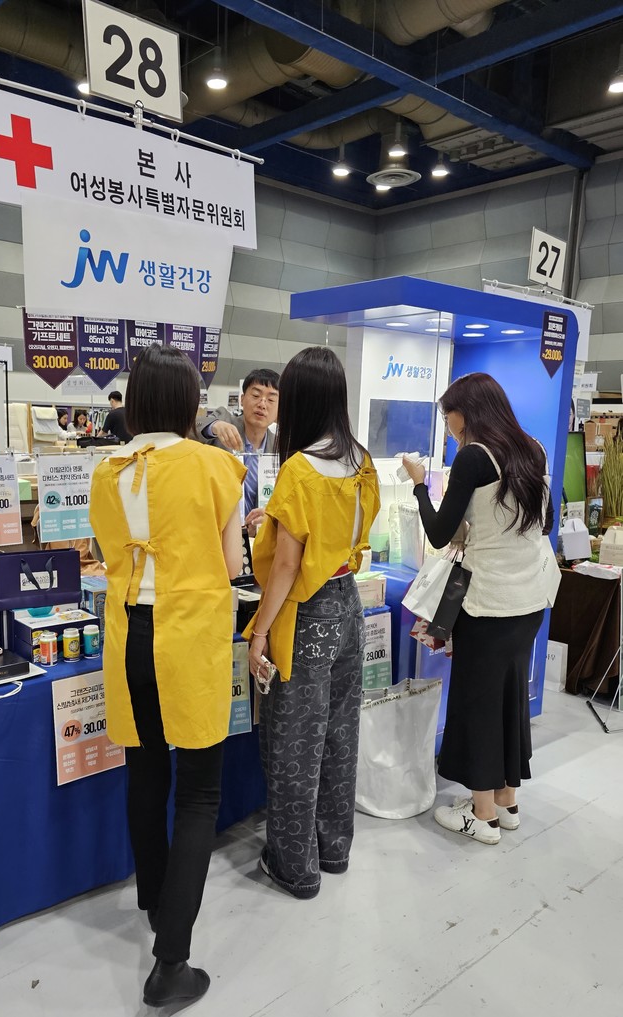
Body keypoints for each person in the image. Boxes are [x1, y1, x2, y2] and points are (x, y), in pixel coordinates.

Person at [89, 345, 245, 1008]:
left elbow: (106, 552)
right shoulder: (216, 466)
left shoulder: (106, 471)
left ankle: (156, 900)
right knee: (200, 792)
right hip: (188, 637)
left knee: (145, 775)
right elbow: (232, 562)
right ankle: (171, 961)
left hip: (129, 634)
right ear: (187, 403)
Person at [243, 347, 380, 899]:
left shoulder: (300, 468)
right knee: (340, 734)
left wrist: (259, 632)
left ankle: (294, 866)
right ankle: (333, 848)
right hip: (349, 605)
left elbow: (287, 566)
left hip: (306, 613)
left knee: (294, 741)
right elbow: (340, 532)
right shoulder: (361, 459)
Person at [401, 372, 553, 846]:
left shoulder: (473, 457)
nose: (448, 425)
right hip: (530, 599)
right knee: (510, 698)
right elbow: (543, 521)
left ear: (464, 413)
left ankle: (482, 816)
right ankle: (507, 802)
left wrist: (420, 485)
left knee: (478, 704)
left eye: (448, 415)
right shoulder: (533, 449)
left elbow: (438, 533)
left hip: (488, 602)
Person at [201, 368, 279, 536]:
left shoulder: (280, 448)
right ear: (242, 399)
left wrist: (269, 519)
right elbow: (192, 427)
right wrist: (213, 426)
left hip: (257, 538)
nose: (262, 404)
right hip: (217, 531)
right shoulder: (224, 419)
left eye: (271, 399)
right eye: (256, 396)